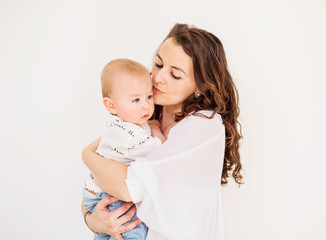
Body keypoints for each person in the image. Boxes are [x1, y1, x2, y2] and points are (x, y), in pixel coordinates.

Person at [82, 23, 243, 240]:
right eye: (158, 64)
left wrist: (86, 155)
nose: (158, 78)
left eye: (175, 75)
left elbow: (129, 187)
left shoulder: (205, 125)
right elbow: (97, 180)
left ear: (200, 87)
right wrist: (92, 220)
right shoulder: (144, 114)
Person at [83, 59, 166, 240]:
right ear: (111, 105)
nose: (145, 105)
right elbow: (159, 148)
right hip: (107, 195)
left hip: (97, 190)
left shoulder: (124, 123)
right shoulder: (129, 135)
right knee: (134, 231)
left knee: (107, 234)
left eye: (149, 97)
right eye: (136, 99)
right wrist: (156, 129)